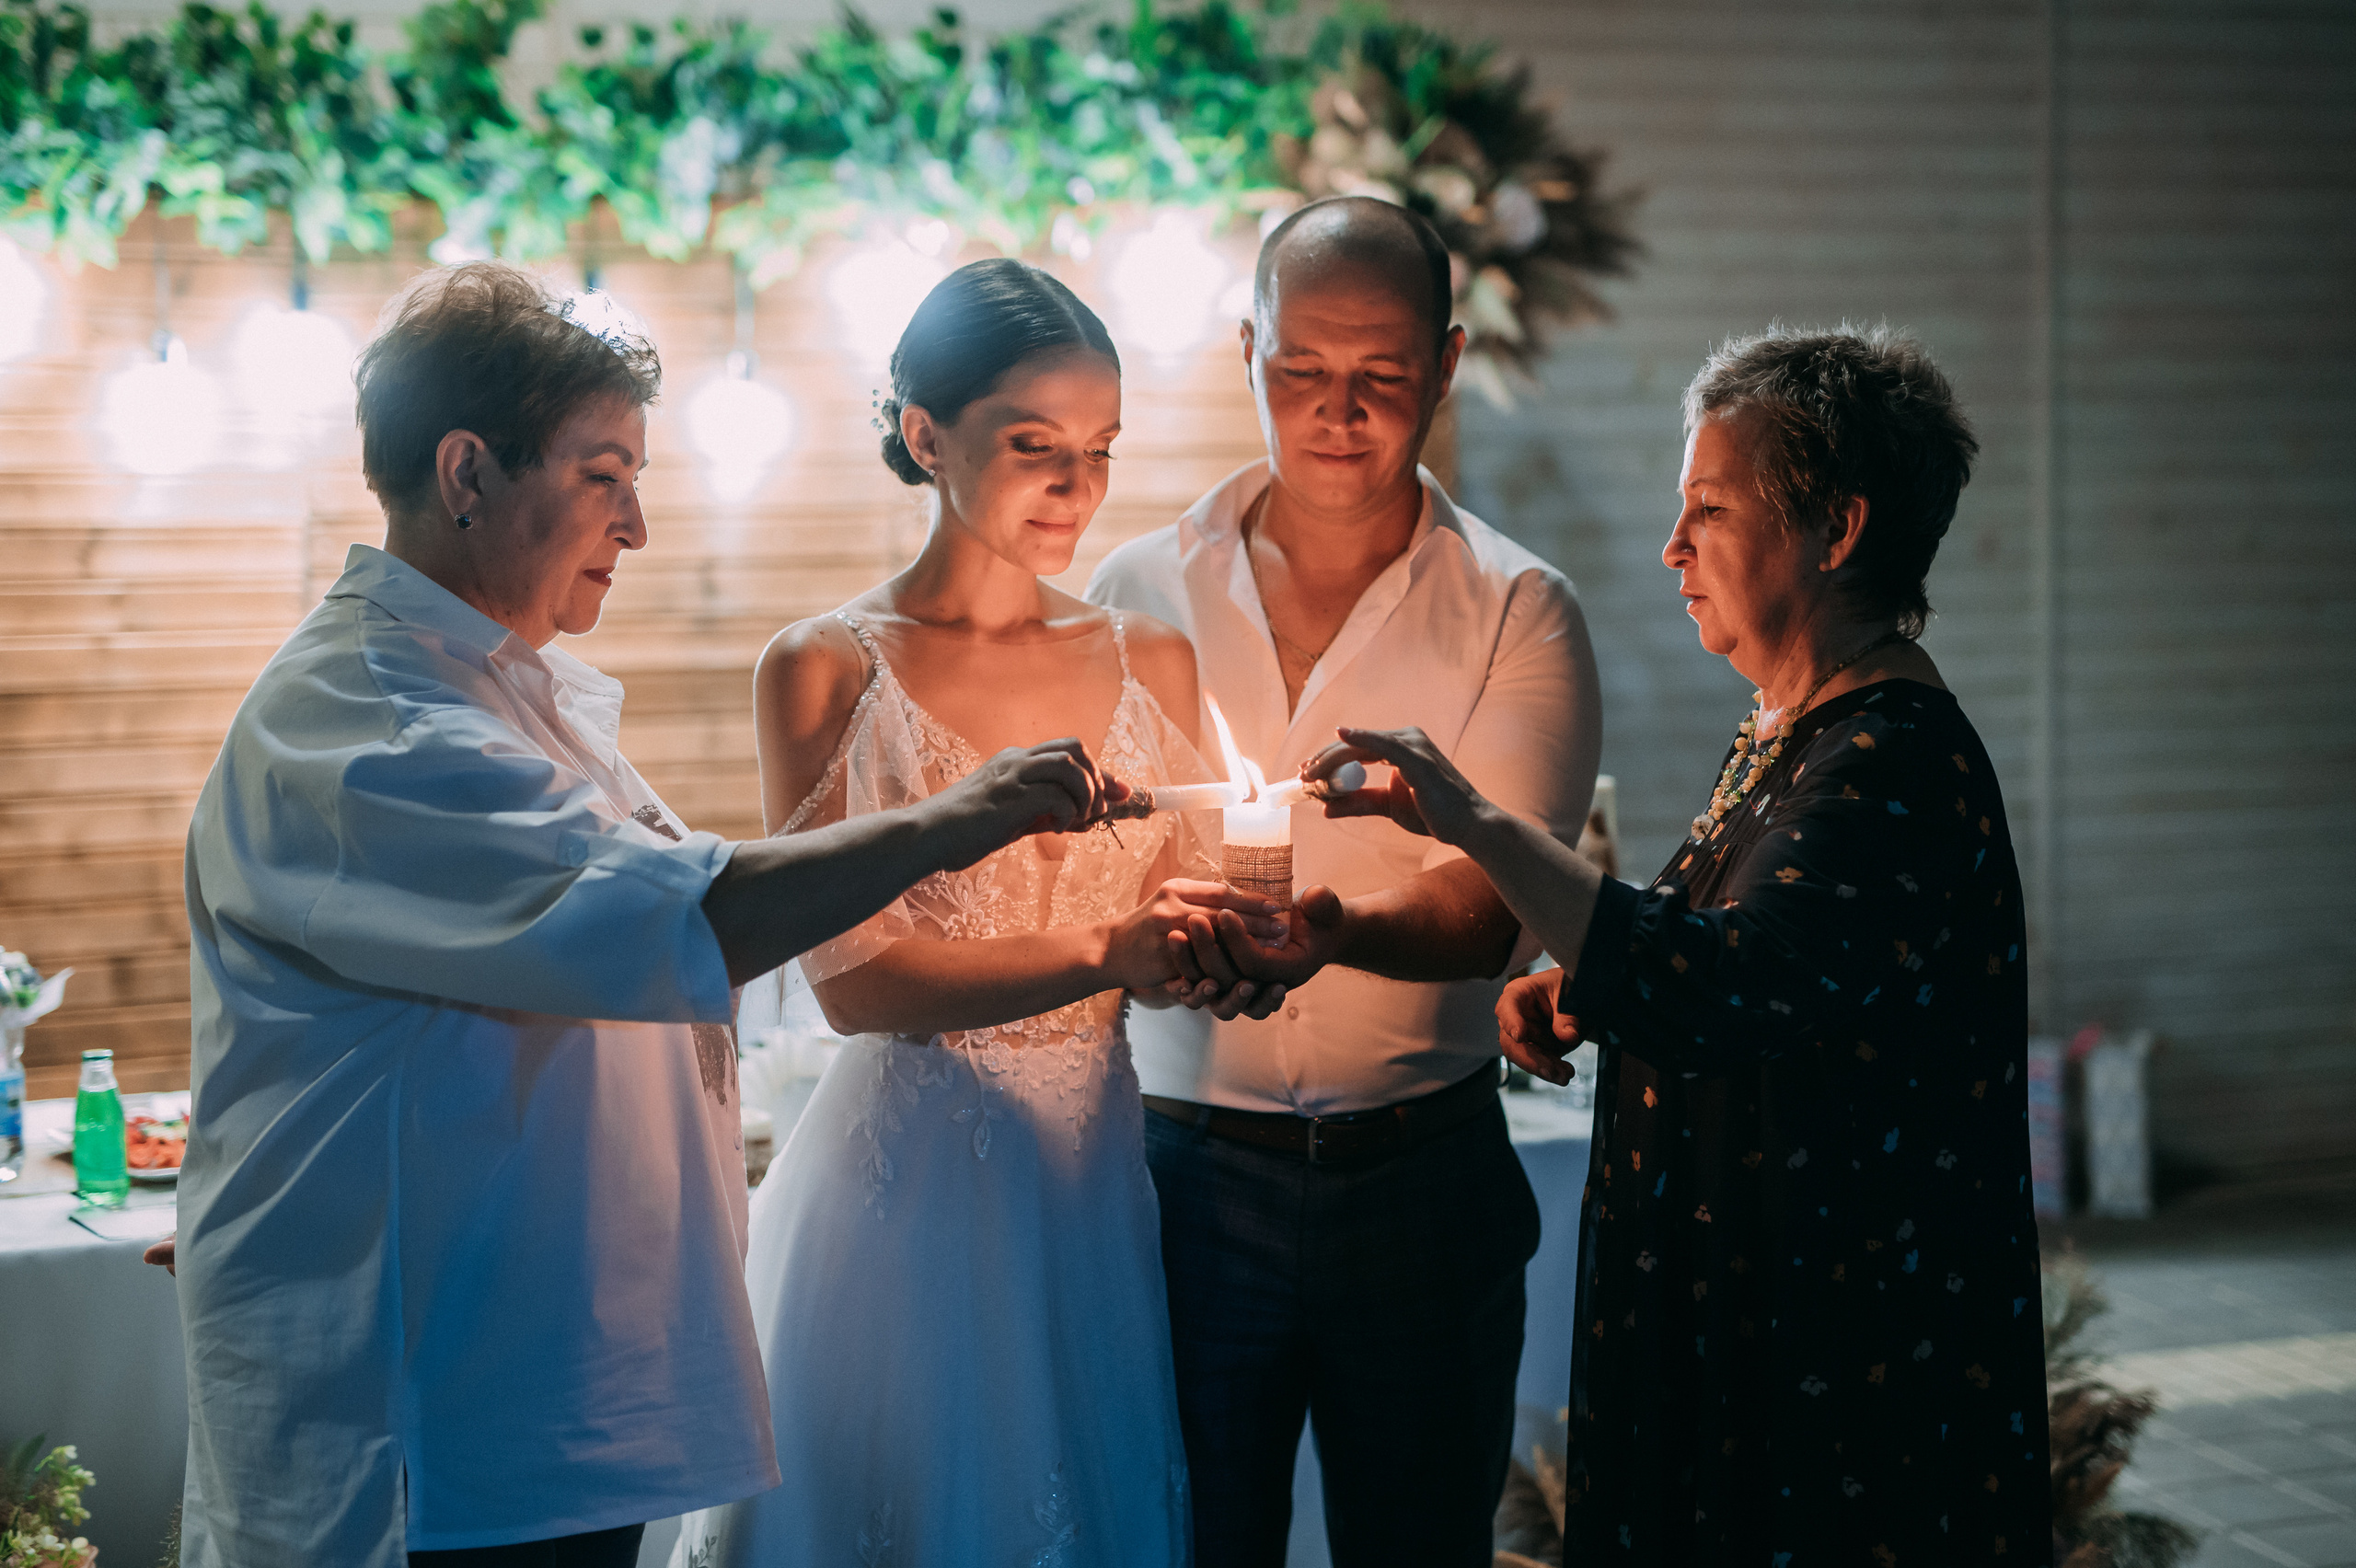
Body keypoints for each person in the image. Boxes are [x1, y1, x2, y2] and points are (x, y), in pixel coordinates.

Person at [173, 262, 1120, 1568]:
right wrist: (971, 813)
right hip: (438, 1438)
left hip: (545, 1398)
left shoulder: (510, 693)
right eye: (606, 476)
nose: (637, 527)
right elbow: (681, 920)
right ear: (468, 473)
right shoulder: (374, 724)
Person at [1300, 325, 2051, 1562]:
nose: (1672, 548)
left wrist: (1474, 819)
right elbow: (1732, 947)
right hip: (1744, 1309)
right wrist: (1579, 992)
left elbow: (1726, 986)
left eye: (1710, 509)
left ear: (1838, 530)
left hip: (1839, 1356)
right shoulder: (1789, 727)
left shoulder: (1891, 756)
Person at [677, 259, 1279, 1568]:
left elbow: (1168, 918)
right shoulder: (829, 666)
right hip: (910, 1194)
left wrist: (1226, 949)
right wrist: (1103, 953)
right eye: (1036, 447)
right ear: (923, 435)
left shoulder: (1146, 653)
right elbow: (855, 982)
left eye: (1102, 451)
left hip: (1089, 1185)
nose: (1080, 488)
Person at [1084, 196, 1603, 1565]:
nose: (1338, 411)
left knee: (1421, 1545)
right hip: (1182, 1171)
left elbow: (1498, 909)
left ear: (1442, 364)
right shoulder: (1135, 586)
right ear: (1248, 347)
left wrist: (1329, 930)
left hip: (1421, 1171)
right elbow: (1095, 865)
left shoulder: (1516, 606)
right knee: (1189, 1542)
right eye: (1300, 370)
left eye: (1381, 378)